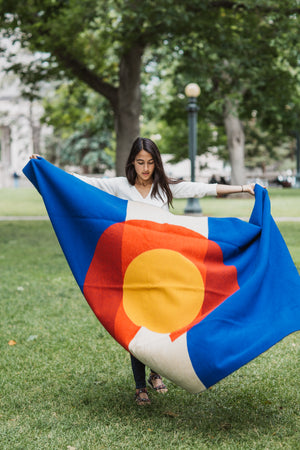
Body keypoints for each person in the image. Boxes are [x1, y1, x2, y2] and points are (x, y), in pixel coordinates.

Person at [30, 137, 255, 405]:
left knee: (161, 319)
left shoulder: (164, 188)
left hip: (163, 266)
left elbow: (203, 189)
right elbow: (85, 182)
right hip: (132, 269)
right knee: (138, 322)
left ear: (156, 163)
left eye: (150, 163)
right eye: (140, 162)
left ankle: (156, 374)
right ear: (132, 163)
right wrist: (46, 168)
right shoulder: (121, 186)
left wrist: (243, 187)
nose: (145, 168)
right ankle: (140, 386)